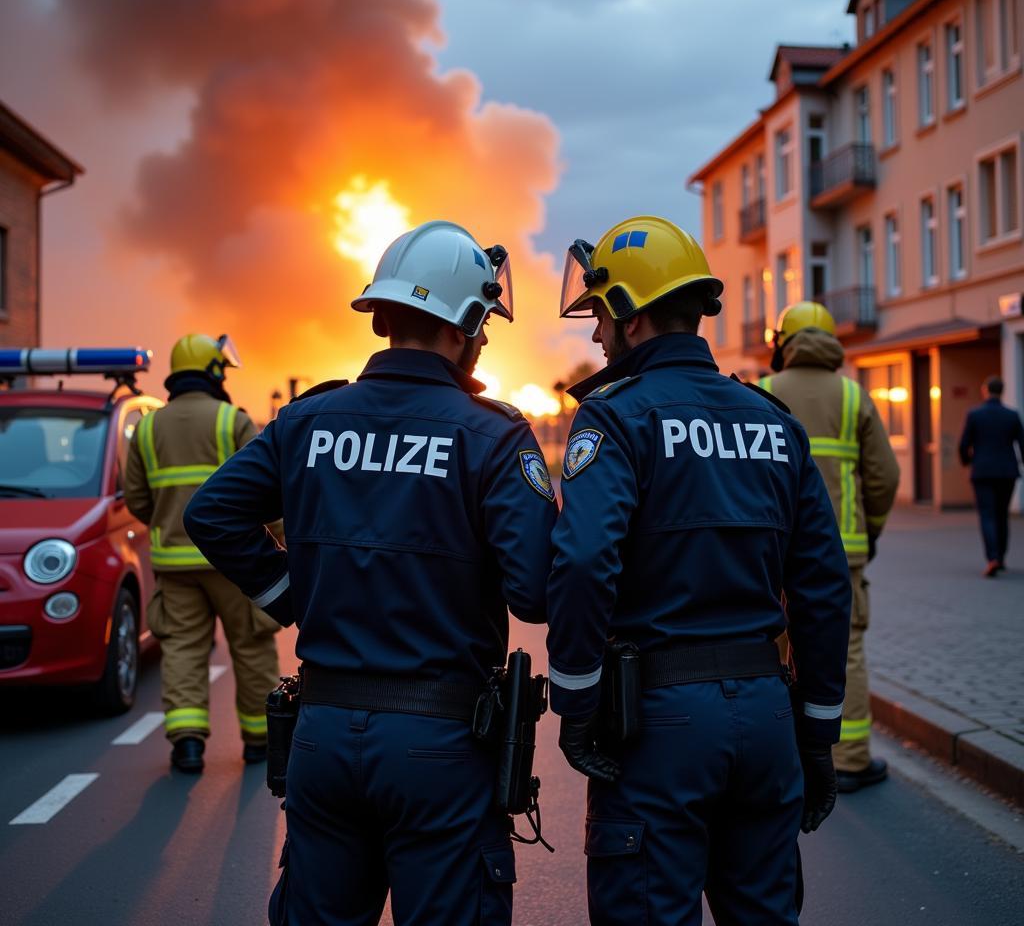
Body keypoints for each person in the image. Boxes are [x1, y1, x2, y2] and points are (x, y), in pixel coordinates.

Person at [184, 221, 556, 926]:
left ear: (382, 315)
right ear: (470, 323)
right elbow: (536, 591)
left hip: (323, 738)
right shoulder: (491, 434)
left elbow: (213, 514)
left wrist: (288, 593)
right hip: (440, 748)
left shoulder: (308, 421)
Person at [546, 216, 851, 926]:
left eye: (599, 315)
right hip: (767, 717)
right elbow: (824, 587)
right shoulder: (772, 422)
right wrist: (817, 735)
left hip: (656, 726)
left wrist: (578, 708)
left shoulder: (614, 420)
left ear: (632, 314)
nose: (595, 336)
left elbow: (586, 560)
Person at [124, 334, 281, 773]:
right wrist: (282, 540)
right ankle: (260, 740)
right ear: (211, 371)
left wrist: (168, 519)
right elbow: (267, 491)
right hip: (234, 563)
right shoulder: (232, 421)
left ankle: (187, 743)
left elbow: (137, 499)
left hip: (174, 566)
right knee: (251, 646)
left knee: (182, 650)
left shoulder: (149, 426)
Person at [761, 302, 900, 795]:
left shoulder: (763, 391)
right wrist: (872, 529)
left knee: (772, 649)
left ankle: (776, 755)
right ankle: (852, 759)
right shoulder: (852, 395)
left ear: (784, 343)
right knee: (849, 649)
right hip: (845, 550)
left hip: (775, 550)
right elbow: (884, 475)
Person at [959, 375, 1024, 577]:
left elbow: (964, 444)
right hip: (1007, 472)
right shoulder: (1012, 415)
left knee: (987, 515)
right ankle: (1001, 558)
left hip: (983, 471)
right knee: (1002, 514)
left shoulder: (975, 414)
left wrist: (968, 462)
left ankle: (992, 557)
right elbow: (1022, 444)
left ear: (985, 390)